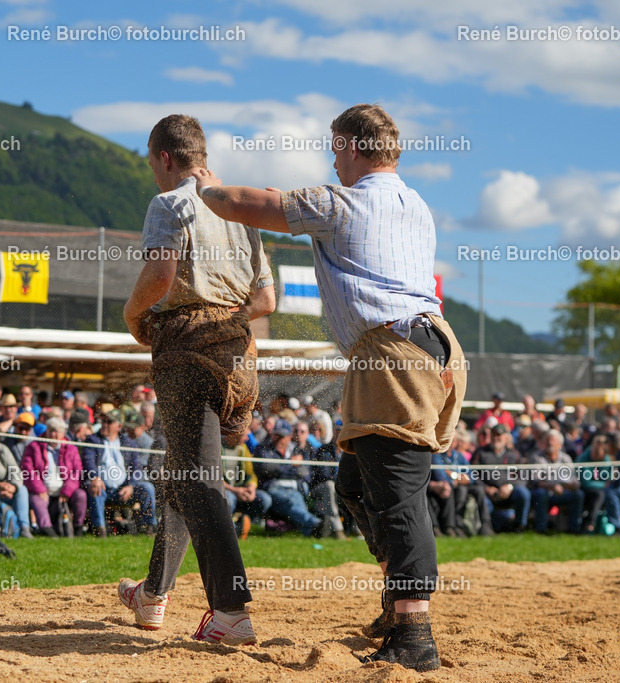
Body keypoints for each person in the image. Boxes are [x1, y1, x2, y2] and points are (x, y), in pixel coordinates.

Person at [195, 103, 467, 670]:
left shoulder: (340, 201)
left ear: (349, 146)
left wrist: (210, 189)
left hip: (394, 353)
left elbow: (252, 206)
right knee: (355, 486)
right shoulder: (412, 202)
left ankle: (414, 634)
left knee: (395, 493)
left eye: (334, 145)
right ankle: (399, 603)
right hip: (424, 347)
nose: (330, 157)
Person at [117, 114, 275, 646]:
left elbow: (160, 276)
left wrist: (132, 314)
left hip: (189, 355)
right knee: (182, 474)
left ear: (165, 158)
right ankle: (153, 594)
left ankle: (230, 611)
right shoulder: (242, 211)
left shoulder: (170, 205)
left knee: (197, 480)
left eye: (150, 163)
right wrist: (227, 317)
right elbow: (267, 301)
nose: (153, 175)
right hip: (240, 358)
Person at [87, 409, 156, 537]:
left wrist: (130, 485)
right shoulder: (92, 440)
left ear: (119, 426)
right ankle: (99, 530)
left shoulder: (129, 443)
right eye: (103, 421)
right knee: (94, 489)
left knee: (148, 488)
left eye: (109, 422)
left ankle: (149, 528)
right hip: (102, 488)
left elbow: (137, 468)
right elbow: (88, 461)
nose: (104, 424)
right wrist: (95, 477)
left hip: (124, 490)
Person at [20, 417, 85, 537]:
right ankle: (48, 530)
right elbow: (27, 469)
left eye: (57, 431)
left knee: (81, 495)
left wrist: (67, 490)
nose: (53, 434)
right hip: (43, 488)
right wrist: (40, 489)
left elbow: (77, 471)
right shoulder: (34, 446)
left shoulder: (71, 448)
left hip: (64, 489)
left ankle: (78, 528)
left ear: (63, 433)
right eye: (51, 430)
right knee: (37, 500)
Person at [526, 430, 584, 534]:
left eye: (553, 440)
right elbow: (534, 481)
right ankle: (541, 529)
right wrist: (552, 486)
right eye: (548, 440)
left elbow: (575, 480)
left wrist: (572, 485)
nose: (550, 443)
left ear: (560, 445)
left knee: (578, 495)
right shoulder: (537, 457)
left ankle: (574, 529)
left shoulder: (566, 458)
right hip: (543, 491)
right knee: (541, 494)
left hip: (563, 491)